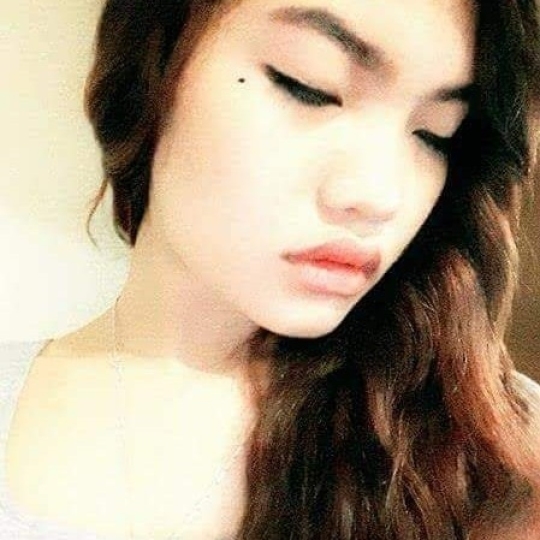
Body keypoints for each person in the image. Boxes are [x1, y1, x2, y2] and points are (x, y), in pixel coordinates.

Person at [1, 0, 540, 539]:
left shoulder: (499, 453)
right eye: (308, 86)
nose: (379, 196)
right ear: (153, 69)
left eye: (435, 134)